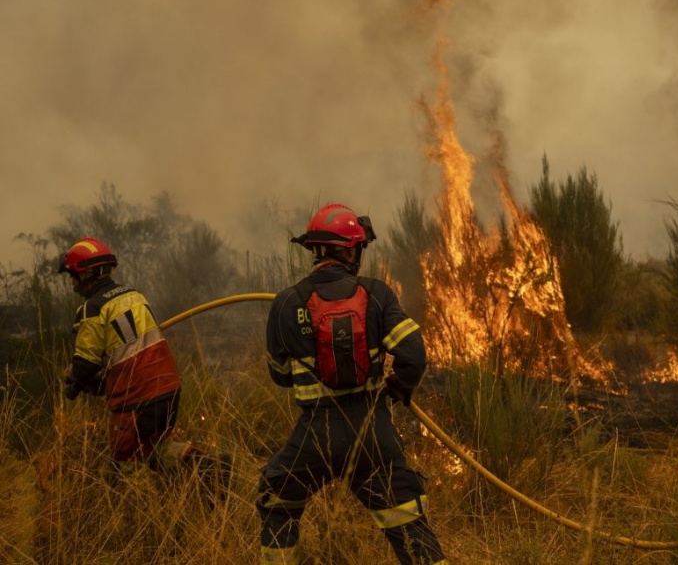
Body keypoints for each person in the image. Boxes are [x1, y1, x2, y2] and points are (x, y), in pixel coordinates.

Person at [257, 204, 447, 565]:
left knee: (278, 498)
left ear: (316, 250)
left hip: (315, 434)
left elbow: (279, 375)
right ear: (348, 250)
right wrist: (396, 389)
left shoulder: (286, 302)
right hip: (372, 431)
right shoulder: (377, 294)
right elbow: (414, 357)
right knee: (408, 523)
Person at [58, 236, 231, 491]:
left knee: (124, 468)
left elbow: (85, 365)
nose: (72, 282)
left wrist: (73, 383)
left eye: (73, 275)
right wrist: (98, 383)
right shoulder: (135, 296)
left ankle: (134, 519)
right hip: (168, 390)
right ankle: (208, 465)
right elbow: (129, 354)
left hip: (136, 399)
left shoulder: (92, 309)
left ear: (86, 275)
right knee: (154, 450)